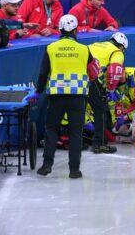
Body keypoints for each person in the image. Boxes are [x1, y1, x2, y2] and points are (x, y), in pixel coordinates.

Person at [25, 14, 100, 179]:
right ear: (75, 30)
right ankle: (74, 170)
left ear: (59, 29)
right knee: (75, 132)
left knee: (51, 129)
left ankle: (46, 165)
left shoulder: (51, 48)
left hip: (57, 96)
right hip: (78, 96)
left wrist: (38, 92)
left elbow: (43, 73)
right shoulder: (84, 49)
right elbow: (94, 74)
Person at [87, 32, 128, 154]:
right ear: (121, 46)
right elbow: (115, 70)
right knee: (102, 112)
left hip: (77, 80)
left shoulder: (94, 45)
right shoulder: (116, 52)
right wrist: (110, 89)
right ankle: (99, 144)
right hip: (93, 81)